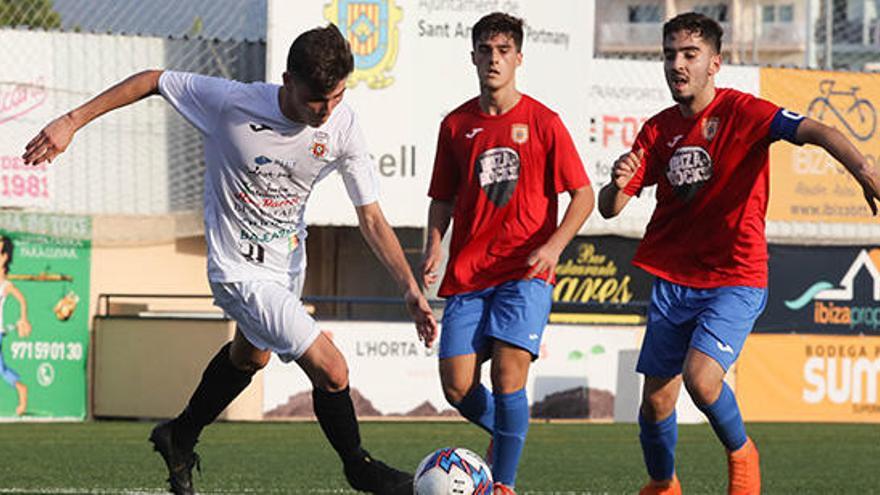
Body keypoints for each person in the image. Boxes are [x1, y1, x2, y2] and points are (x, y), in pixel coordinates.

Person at [22, 25, 437, 495]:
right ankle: (358, 465)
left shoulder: (343, 126)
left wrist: (407, 286)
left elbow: (373, 218)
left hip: (286, 266)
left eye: (337, 97)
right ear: (287, 81)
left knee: (250, 356)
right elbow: (153, 79)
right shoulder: (230, 102)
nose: (326, 111)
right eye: (316, 100)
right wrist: (72, 121)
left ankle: (180, 436)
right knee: (333, 369)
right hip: (237, 270)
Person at [597, 12, 880, 495]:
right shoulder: (657, 129)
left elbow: (816, 130)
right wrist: (616, 182)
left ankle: (742, 453)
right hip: (673, 279)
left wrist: (862, 168)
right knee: (655, 406)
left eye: (689, 54)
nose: (677, 65)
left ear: (714, 63)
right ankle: (663, 483)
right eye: (670, 55)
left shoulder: (743, 112)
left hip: (735, 276)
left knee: (702, 380)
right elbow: (609, 209)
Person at [421, 12, 594, 495]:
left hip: (525, 272)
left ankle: (505, 484)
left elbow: (583, 195)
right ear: (473, 56)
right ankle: (511, 432)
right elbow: (443, 197)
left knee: (506, 373)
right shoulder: (456, 125)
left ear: (518, 58)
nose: (493, 59)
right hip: (469, 273)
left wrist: (554, 246)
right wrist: (434, 244)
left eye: (503, 51)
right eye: (485, 50)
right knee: (456, 386)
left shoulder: (544, 122)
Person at [0, 236, 31, 416]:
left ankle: (20, 388)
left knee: (1, 369)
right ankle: (20, 387)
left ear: (4, 258)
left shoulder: (5, 285)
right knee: (1, 368)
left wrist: (23, 319)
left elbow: (21, 300)